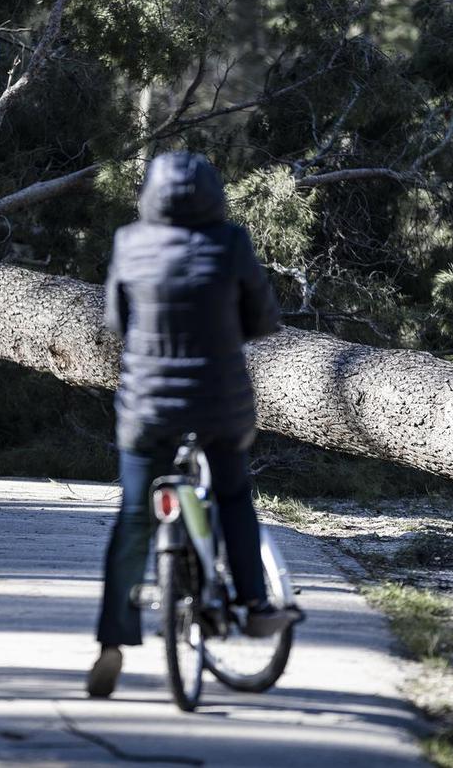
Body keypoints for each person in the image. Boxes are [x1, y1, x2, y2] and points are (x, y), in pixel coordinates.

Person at [87, 150, 300, 699]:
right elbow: (263, 320)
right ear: (214, 194)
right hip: (219, 406)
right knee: (231, 496)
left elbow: (116, 321)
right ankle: (254, 604)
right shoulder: (231, 243)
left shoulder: (129, 242)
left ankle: (112, 639)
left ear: (150, 195)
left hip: (147, 408)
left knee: (135, 516)